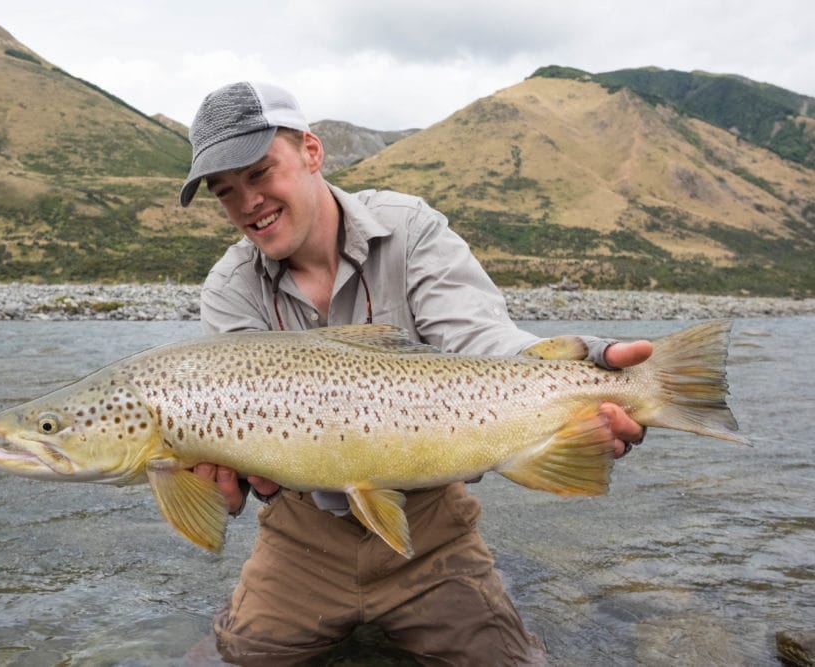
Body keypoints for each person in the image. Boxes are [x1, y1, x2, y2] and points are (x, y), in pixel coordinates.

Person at [180, 81, 650, 666]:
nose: (247, 202)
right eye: (226, 192)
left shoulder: (410, 228)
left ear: (311, 151)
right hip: (301, 541)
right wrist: (220, 483)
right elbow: (246, 441)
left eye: (259, 173)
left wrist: (584, 366)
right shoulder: (229, 290)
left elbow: (480, 340)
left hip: (432, 531)